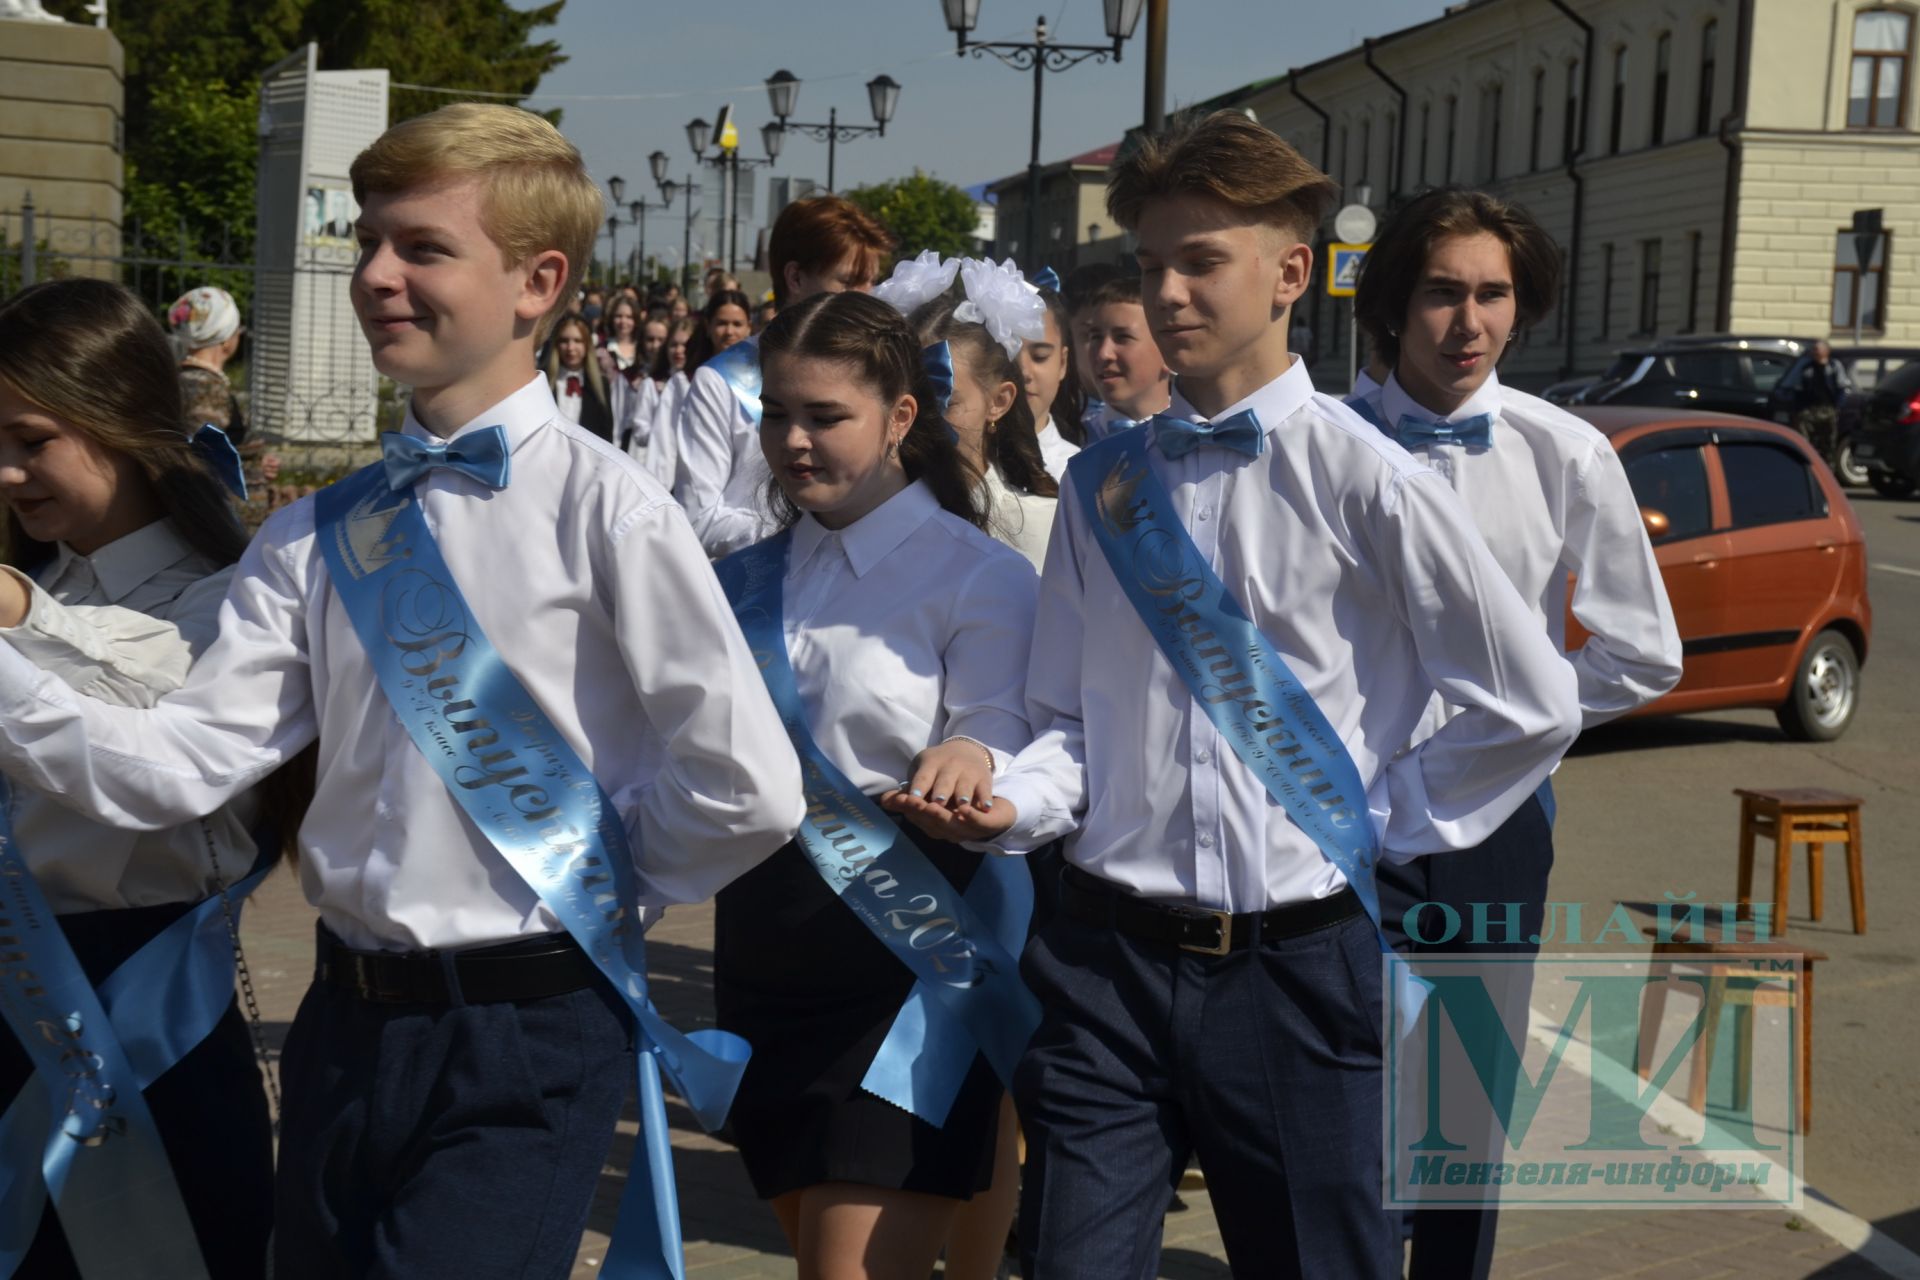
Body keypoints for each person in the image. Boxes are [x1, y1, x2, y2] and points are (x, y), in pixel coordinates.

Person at [0, 103, 805, 1279]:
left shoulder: (610, 508)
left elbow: (744, 783)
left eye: (422, 247)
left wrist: (587, 877)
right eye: (370, 242)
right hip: (342, 1021)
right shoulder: (315, 534)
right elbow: (173, 766)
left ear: (538, 281)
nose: (376, 273)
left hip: (527, 1028)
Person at [885, 110, 1581, 1280]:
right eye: (1154, 264)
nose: (1167, 294)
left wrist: (1385, 820)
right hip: (1104, 966)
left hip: (1300, 977)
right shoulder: (1103, 488)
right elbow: (1064, 718)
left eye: (1200, 262)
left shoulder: (1375, 480)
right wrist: (1014, 798)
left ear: (1289, 273)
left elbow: (1531, 703)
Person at [1348, 186, 1683, 1280]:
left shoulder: (1567, 451)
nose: (1470, 321)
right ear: (1393, 302)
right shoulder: (1320, 444)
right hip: (1334, 811)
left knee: (1457, 1106)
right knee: (1337, 1088)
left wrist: (1514, 729)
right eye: (1443, 292)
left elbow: (1642, 651)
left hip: (1492, 821)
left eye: (1493, 294)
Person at [711, 288, 1040, 1280]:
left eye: (825, 416)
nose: (793, 440)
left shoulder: (981, 575)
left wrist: (976, 752)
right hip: (768, 946)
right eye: (776, 412)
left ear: (901, 417)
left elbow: (1005, 718)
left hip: (917, 949)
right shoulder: (739, 578)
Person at [0, 278, 296, 1279]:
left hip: (147, 1007)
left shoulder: (229, 594)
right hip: (17, 991)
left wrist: (12, 614)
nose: (6, 470)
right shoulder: (52, 580)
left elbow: (156, 722)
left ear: (118, 423)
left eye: (31, 439)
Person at [675, 195, 893, 558]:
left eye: (871, 282)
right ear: (795, 277)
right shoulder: (722, 382)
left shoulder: (881, 373)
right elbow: (698, 520)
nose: (867, 298)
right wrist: (810, 529)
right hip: (757, 593)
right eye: (849, 281)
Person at [907, 259, 1061, 571]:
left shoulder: (1047, 527)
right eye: (904, 401)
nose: (917, 419)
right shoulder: (863, 515)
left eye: (944, 402)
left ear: (999, 402)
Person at [1073, 273, 1173, 441]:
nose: (1103, 353)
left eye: (1122, 337)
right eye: (1095, 337)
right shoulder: (1074, 443)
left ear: (1168, 350)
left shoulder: (1202, 438)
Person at [1022, 285, 1084, 478]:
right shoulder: (959, 464)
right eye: (1007, 357)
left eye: (1040, 356)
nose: (1024, 372)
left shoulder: (1080, 470)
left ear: (1063, 363)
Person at [642, 315, 698, 486]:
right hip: (660, 465)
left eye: (685, 345)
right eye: (674, 345)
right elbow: (640, 428)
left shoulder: (701, 383)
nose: (679, 350)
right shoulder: (654, 384)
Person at [544, 311, 617, 441]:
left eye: (578, 341)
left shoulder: (600, 385)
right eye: (564, 341)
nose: (570, 348)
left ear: (587, 345)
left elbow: (606, 435)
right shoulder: (543, 381)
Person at [1793, 339, 1849, 460]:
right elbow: (1798, 388)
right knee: (1804, 436)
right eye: (1814, 350)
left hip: (1828, 409)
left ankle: (1828, 466)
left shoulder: (1834, 367)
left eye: (1817, 349)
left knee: (1828, 440)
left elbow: (1841, 387)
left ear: (1826, 351)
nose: (1814, 352)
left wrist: (1837, 407)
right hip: (1810, 409)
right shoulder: (1807, 368)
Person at [682, 287, 754, 375]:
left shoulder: (763, 375)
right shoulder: (686, 380)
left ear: (749, 328)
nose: (729, 332)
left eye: (737, 324)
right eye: (722, 324)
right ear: (708, 326)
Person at [599, 292, 644, 374]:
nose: (623, 321)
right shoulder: (602, 348)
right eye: (619, 316)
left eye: (629, 317)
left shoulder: (643, 349)